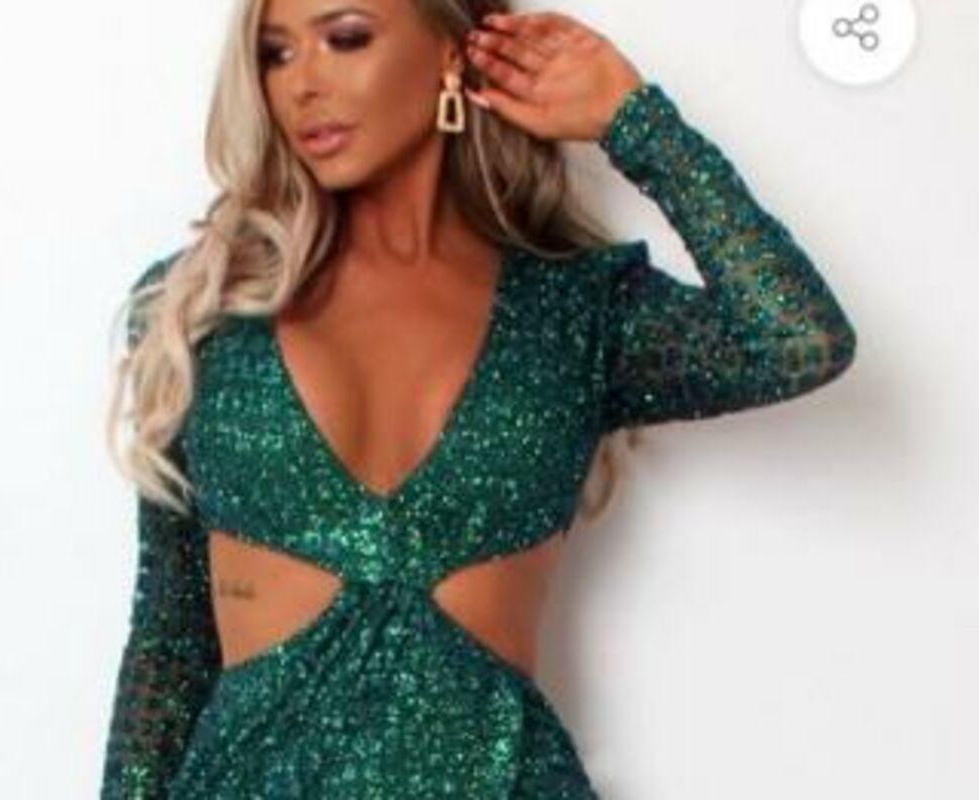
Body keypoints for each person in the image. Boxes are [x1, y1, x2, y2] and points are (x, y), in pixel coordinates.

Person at [99, 1, 858, 797]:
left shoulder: (574, 311)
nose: (302, 85)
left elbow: (797, 340)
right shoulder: (204, 308)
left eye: (345, 38)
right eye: (275, 54)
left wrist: (635, 122)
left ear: (453, 54)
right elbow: (170, 644)